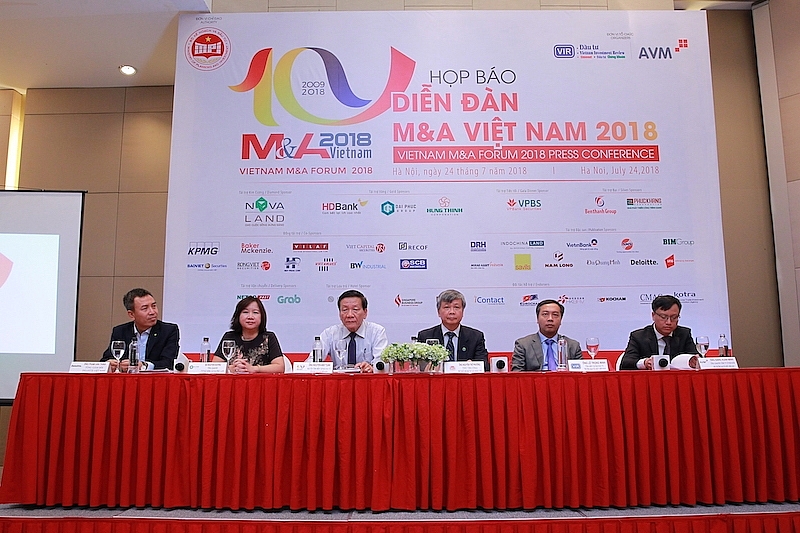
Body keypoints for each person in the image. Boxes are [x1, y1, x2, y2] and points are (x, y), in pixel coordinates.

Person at [101, 288, 179, 371]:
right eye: (145, 308)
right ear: (131, 314)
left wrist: (144, 365)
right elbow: (106, 359)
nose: (152, 312)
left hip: (155, 378)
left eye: (154, 306)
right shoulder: (120, 331)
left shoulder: (169, 331)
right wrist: (110, 364)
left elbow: (169, 363)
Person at [309, 289, 387, 373]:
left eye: (355, 309)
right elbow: (311, 363)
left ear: (365, 313)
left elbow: (382, 364)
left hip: (367, 379)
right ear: (339, 314)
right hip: (339, 380)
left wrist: (372, 367)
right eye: (345, 310)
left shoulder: (377, 332)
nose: (349, 315)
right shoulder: (330, 333)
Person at [619, 294, 698, 370]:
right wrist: (644, 363)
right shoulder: (639, 336)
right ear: (653, 315)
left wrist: (695, 361)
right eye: (663, 317)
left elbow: (696, 358)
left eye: (674, 317)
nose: (669, 322)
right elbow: (625, 363)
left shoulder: (684, 334)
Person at [417, 289, 488, 368]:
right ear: (438, 312)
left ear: (463, 311)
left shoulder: (475, 337)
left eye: (456, 307)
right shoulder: (425, 336)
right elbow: (419, 367)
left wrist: (472, 366)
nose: (452, 312)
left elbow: (484, 366)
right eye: (447, 307)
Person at [212, 296, 284, 373]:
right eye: (245, 312)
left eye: (255, 312)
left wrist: (254, 369)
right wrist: (230, 369)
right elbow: (215, 366)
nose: (250, 317)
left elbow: (280, 367)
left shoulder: (268, 337)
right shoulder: (229, 337)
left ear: (262, 316)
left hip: (259, 380)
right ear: (238, 316)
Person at [511, 299, 582, 371]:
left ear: (561, 320)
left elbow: (580, 374)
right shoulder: (523, 345)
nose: (550, 319)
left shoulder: (573, 346)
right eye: (545, 314)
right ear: (537, 319)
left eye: (555, 315)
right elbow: (517, 373)